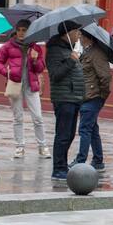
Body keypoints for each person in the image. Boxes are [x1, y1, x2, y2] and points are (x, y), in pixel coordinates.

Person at [0, 19, 49, 160]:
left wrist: (35, 60)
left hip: (31, 85)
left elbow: (40, 68)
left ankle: (42, 146)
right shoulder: (8, 46)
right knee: (18, 117)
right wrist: (7, 72)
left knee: (38, 117)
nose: (21, 33)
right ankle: (19, 147)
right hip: (15, 85)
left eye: (24, 30)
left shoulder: (35, 47)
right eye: (19, 30)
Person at [45, 21, 84, 181]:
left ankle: (63, 164)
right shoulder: (55, 50)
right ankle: (58, 168)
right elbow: (55, 74)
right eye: (76, 31)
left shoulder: (70, 49)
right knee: (63, 134)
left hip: (74, 97)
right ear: (67, 33)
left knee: (70, 134)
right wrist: (71, 60)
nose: (79, 34)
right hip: (64, 98)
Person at [71, 29, 111, 172]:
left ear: (87, 37)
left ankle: (81, 159)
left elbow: (105, 77)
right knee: (92, 129)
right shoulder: (87, 52)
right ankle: (98, 160)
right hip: (86, 96)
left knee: (84, 129)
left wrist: (102, 95)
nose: (79, 37)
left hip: (93, 96)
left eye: (81, 35)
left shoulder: (97, 53)